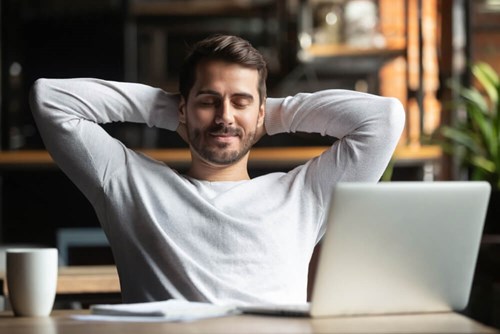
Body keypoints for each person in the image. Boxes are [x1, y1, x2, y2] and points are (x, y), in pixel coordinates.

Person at [30, 34, 405, 306]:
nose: (225, 117)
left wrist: (268, 114)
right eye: (209, 102)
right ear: (182, 109)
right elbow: (51, 101)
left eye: (240, 102)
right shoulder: (128, 184)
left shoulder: (306, 194)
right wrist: (172, 108)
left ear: (261, 112)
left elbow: (383, 120)